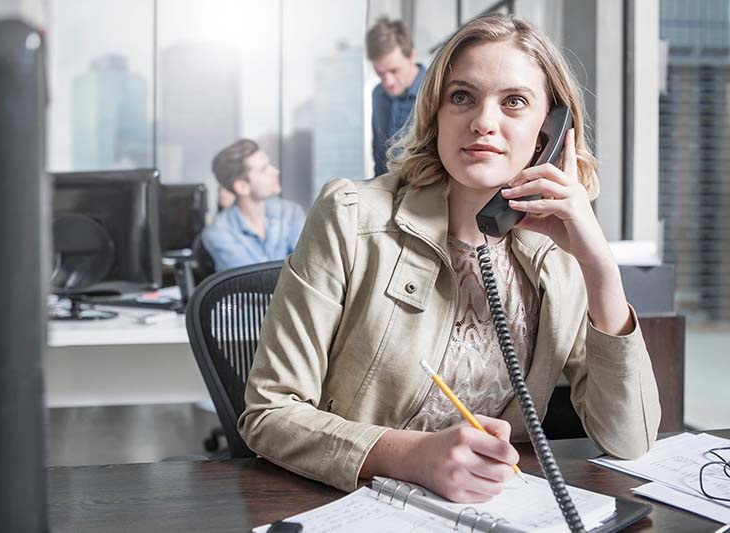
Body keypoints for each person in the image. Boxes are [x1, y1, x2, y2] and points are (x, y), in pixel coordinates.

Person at [239, 15, 661, 504]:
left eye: (514, 102)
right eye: (462, 96)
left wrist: (600, 269)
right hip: (351, 506)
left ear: (551, 134)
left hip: (497, 509)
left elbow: (630, 440)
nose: (484, 121)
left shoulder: (558, 257)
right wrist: (413, 456)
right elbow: (268, 414)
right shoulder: (350, 218)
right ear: (435, 112)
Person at [201, 139, 305, 271]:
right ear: (242, 187)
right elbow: (254, 281)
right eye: (264, 169)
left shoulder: (291, 212)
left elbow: (307, 268)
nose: (275, 171)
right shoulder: (218, 232)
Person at [366, 17, 426, 176]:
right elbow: (378, 150)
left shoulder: (435, 90)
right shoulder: (378, 93)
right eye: (380, 73)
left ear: (412, 56)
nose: (388, 82)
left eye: (394, 71)